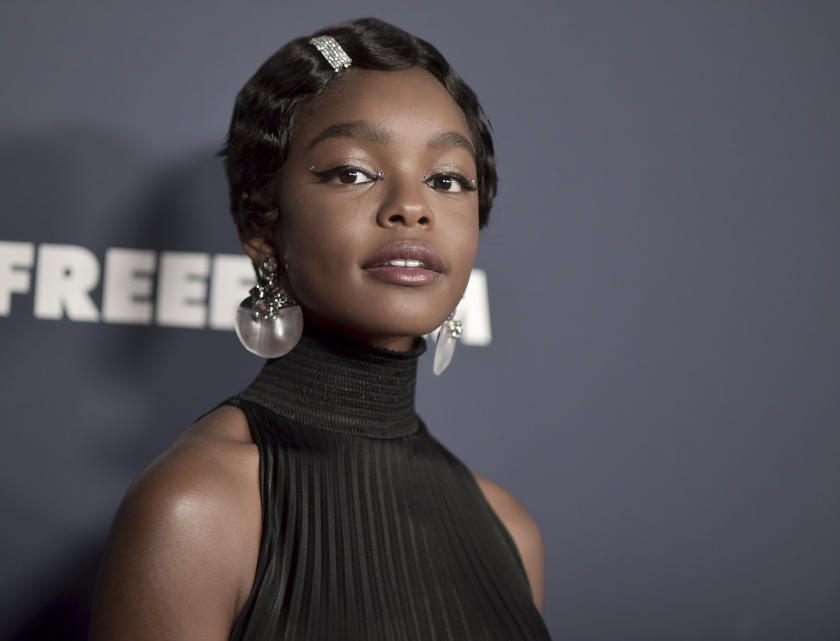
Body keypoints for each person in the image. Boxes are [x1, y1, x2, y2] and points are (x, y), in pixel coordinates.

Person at [89, 18, 551, 641]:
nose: (412, 207)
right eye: (353, 172)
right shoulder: (197, 509)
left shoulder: (511, 531)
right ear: (264, 226)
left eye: (447, 180)